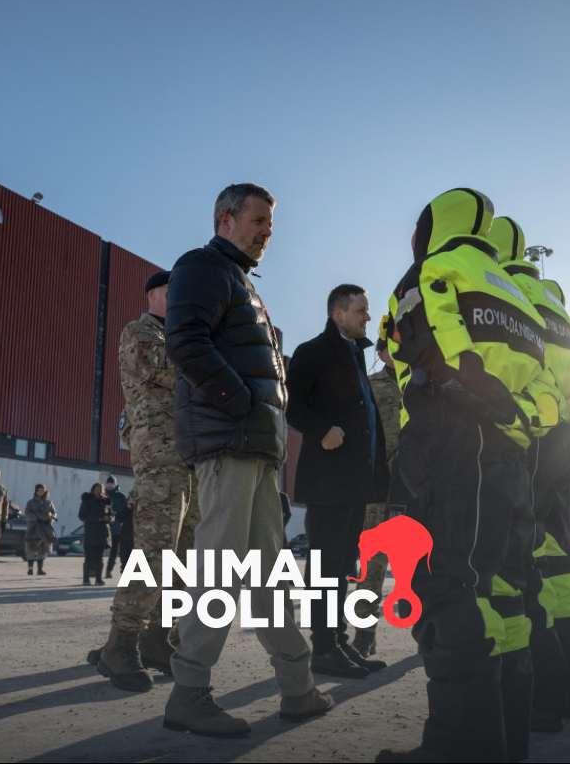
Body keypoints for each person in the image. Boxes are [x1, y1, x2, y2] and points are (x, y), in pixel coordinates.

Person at [378, 189, 560, 762]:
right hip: (510, 456)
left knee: (444, 587)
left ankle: (456, 748)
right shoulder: (517, 296)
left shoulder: (435, 268)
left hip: (448, 446)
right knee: (503, 596)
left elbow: (400, 339)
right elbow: (549, 395)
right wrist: (514, 415)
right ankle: (504, 742)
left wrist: (467, 387)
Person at [163, 182, 331, 737]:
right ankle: (189, 694)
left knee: (269, 578)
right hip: (228, 442)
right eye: (258, 221)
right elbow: (186, 342)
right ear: (225, 218)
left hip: (256, 449)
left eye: (271, 226)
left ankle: (298, 689)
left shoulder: (241, 283)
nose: (266, 233)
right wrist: (241, 403)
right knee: (219, 570)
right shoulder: (202, 267)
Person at [89, 269, 201, 693]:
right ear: (155, 294)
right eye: (176, 293)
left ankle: (158, 638)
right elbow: (177, 374)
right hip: (159, 458)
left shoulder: (180, 338)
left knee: (183, 557)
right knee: (153, 552)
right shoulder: (140, 332)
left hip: (188, 459)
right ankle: (121, 644)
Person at [286, 283, 390, 678]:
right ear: (338, 313)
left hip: (355, 483)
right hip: (328, 481)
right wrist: (322, 429)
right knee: (324, 566)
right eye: (361, 310)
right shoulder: (315, 352)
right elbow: (292, 404)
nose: (367, 315)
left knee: (343, 564)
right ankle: (324, 649)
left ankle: (338, 642)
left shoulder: (355, 357)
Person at [352, 320, 403, 659]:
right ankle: (363, 633)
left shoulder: (428, 381)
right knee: (371, 565)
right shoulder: (370, 386)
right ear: (383, 351)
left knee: (435, 562)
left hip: (424, 486)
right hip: (381, 487)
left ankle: (435, 632)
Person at [79, 482, 111, 586]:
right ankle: (86, 579)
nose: (99, 490)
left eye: (100, 489)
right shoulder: (87, 500)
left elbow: (110, 515)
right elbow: (82, 516)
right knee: (88, 557)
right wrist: (98, 519)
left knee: (99, 557)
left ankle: (98, 579)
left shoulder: (105, 501)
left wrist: (109, 518)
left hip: (101, 532)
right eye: (97, 488)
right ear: (93, 489)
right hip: (90, 532)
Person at [25, 484, 57, 575]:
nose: (41, 492)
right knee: (31, 548)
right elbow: (27, 512)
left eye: (42, 490)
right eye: (39, 490)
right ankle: (30, 569)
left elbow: (54, 513)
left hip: (45, 528)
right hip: (33, 528)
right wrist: (35, 518)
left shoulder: (48, 502)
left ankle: (40, 569)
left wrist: (51, 517)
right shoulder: (30, 502)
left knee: (43, 549)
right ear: (36, 491)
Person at [105, 475, 128, 577]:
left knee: (117, 550)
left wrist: (116, 514)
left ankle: (110, 570)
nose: (110, 486)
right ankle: (98, 570)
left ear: (115, 484)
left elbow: (125, 513)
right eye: (108, 484)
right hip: (104, 527)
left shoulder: (121, 497)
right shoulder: (103, 495)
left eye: (111, 484)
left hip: (117, 528)